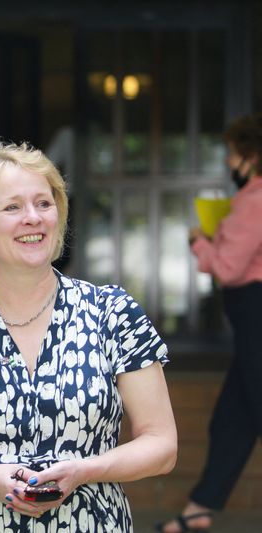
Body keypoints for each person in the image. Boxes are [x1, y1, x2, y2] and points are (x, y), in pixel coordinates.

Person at [0, 141, 177, 531]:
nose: (33, 218)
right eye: (12, 207)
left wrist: (84, 470)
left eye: (44, 203)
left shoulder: (112, 313)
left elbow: (162, 446)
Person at [158, 114, 262, 533]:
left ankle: (198, 511)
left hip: (256, 318)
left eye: (233, 154)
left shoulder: (254, 199)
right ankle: (199, 510)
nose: (229, 161)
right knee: (232, 419)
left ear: (250, 156)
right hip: (251, 325)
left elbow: (228, 268)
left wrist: (198, 241)